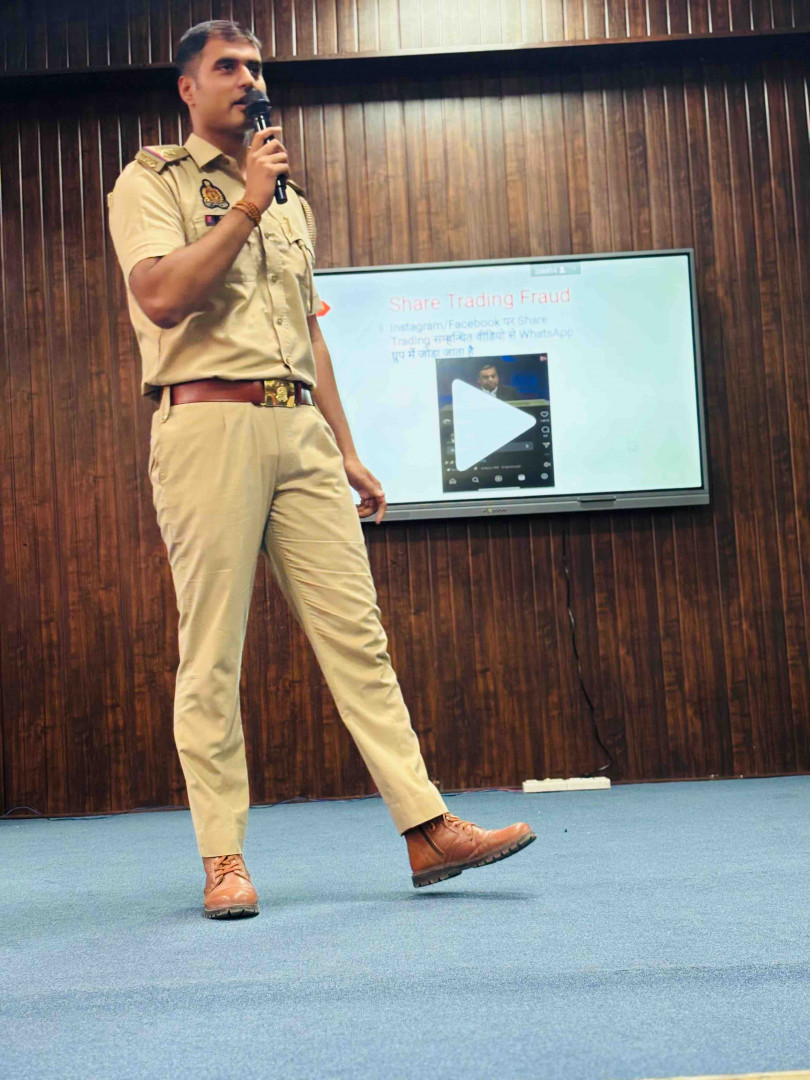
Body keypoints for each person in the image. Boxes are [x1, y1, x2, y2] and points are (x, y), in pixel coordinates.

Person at [107, 19, 536, 919]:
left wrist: (344, 447)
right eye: (228, 67)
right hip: (207, 422)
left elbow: (310, 332)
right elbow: (161, 295)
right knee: (212, 651)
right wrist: (247, 204)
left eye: (255, 67)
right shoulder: (153, 181)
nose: (248, 80)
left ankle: (426, 827)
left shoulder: (292, 200)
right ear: (188, 87)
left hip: (297, 427)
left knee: (358, 638)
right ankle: (223, 858)